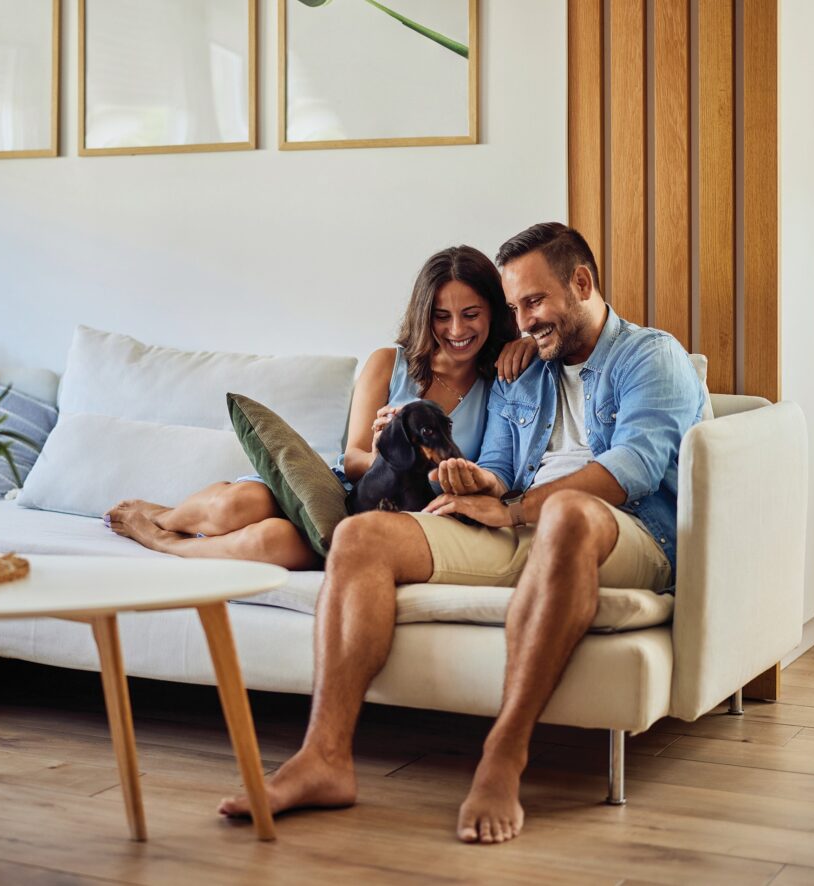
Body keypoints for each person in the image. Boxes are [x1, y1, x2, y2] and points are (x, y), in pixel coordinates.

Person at [218, 222, 705, 844]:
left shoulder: (649, 357)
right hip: (523, 523)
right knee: (363, 535)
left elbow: (629, 471)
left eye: (534, 303)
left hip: (626, 534)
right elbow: (502, 468)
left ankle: (504, 753)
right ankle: (324, 759)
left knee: (568, 514)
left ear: (582, 283)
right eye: (515, 308)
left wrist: (520, 508)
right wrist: (476, 483)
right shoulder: (526, 370)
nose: (523, 321)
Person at [104, 246, 536, 567]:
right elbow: (352, 462)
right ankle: (169, 517)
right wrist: (389, 450)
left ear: (493, 313)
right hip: (345, 492)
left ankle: (166, 543)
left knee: (272, 542)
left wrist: (529, 342)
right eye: (442, 316)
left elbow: (500, 458)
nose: (456, 329)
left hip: (395, 515)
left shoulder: (503, 375)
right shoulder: (389, 364)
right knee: (237, 507)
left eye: (471, 314)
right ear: (425, 315)